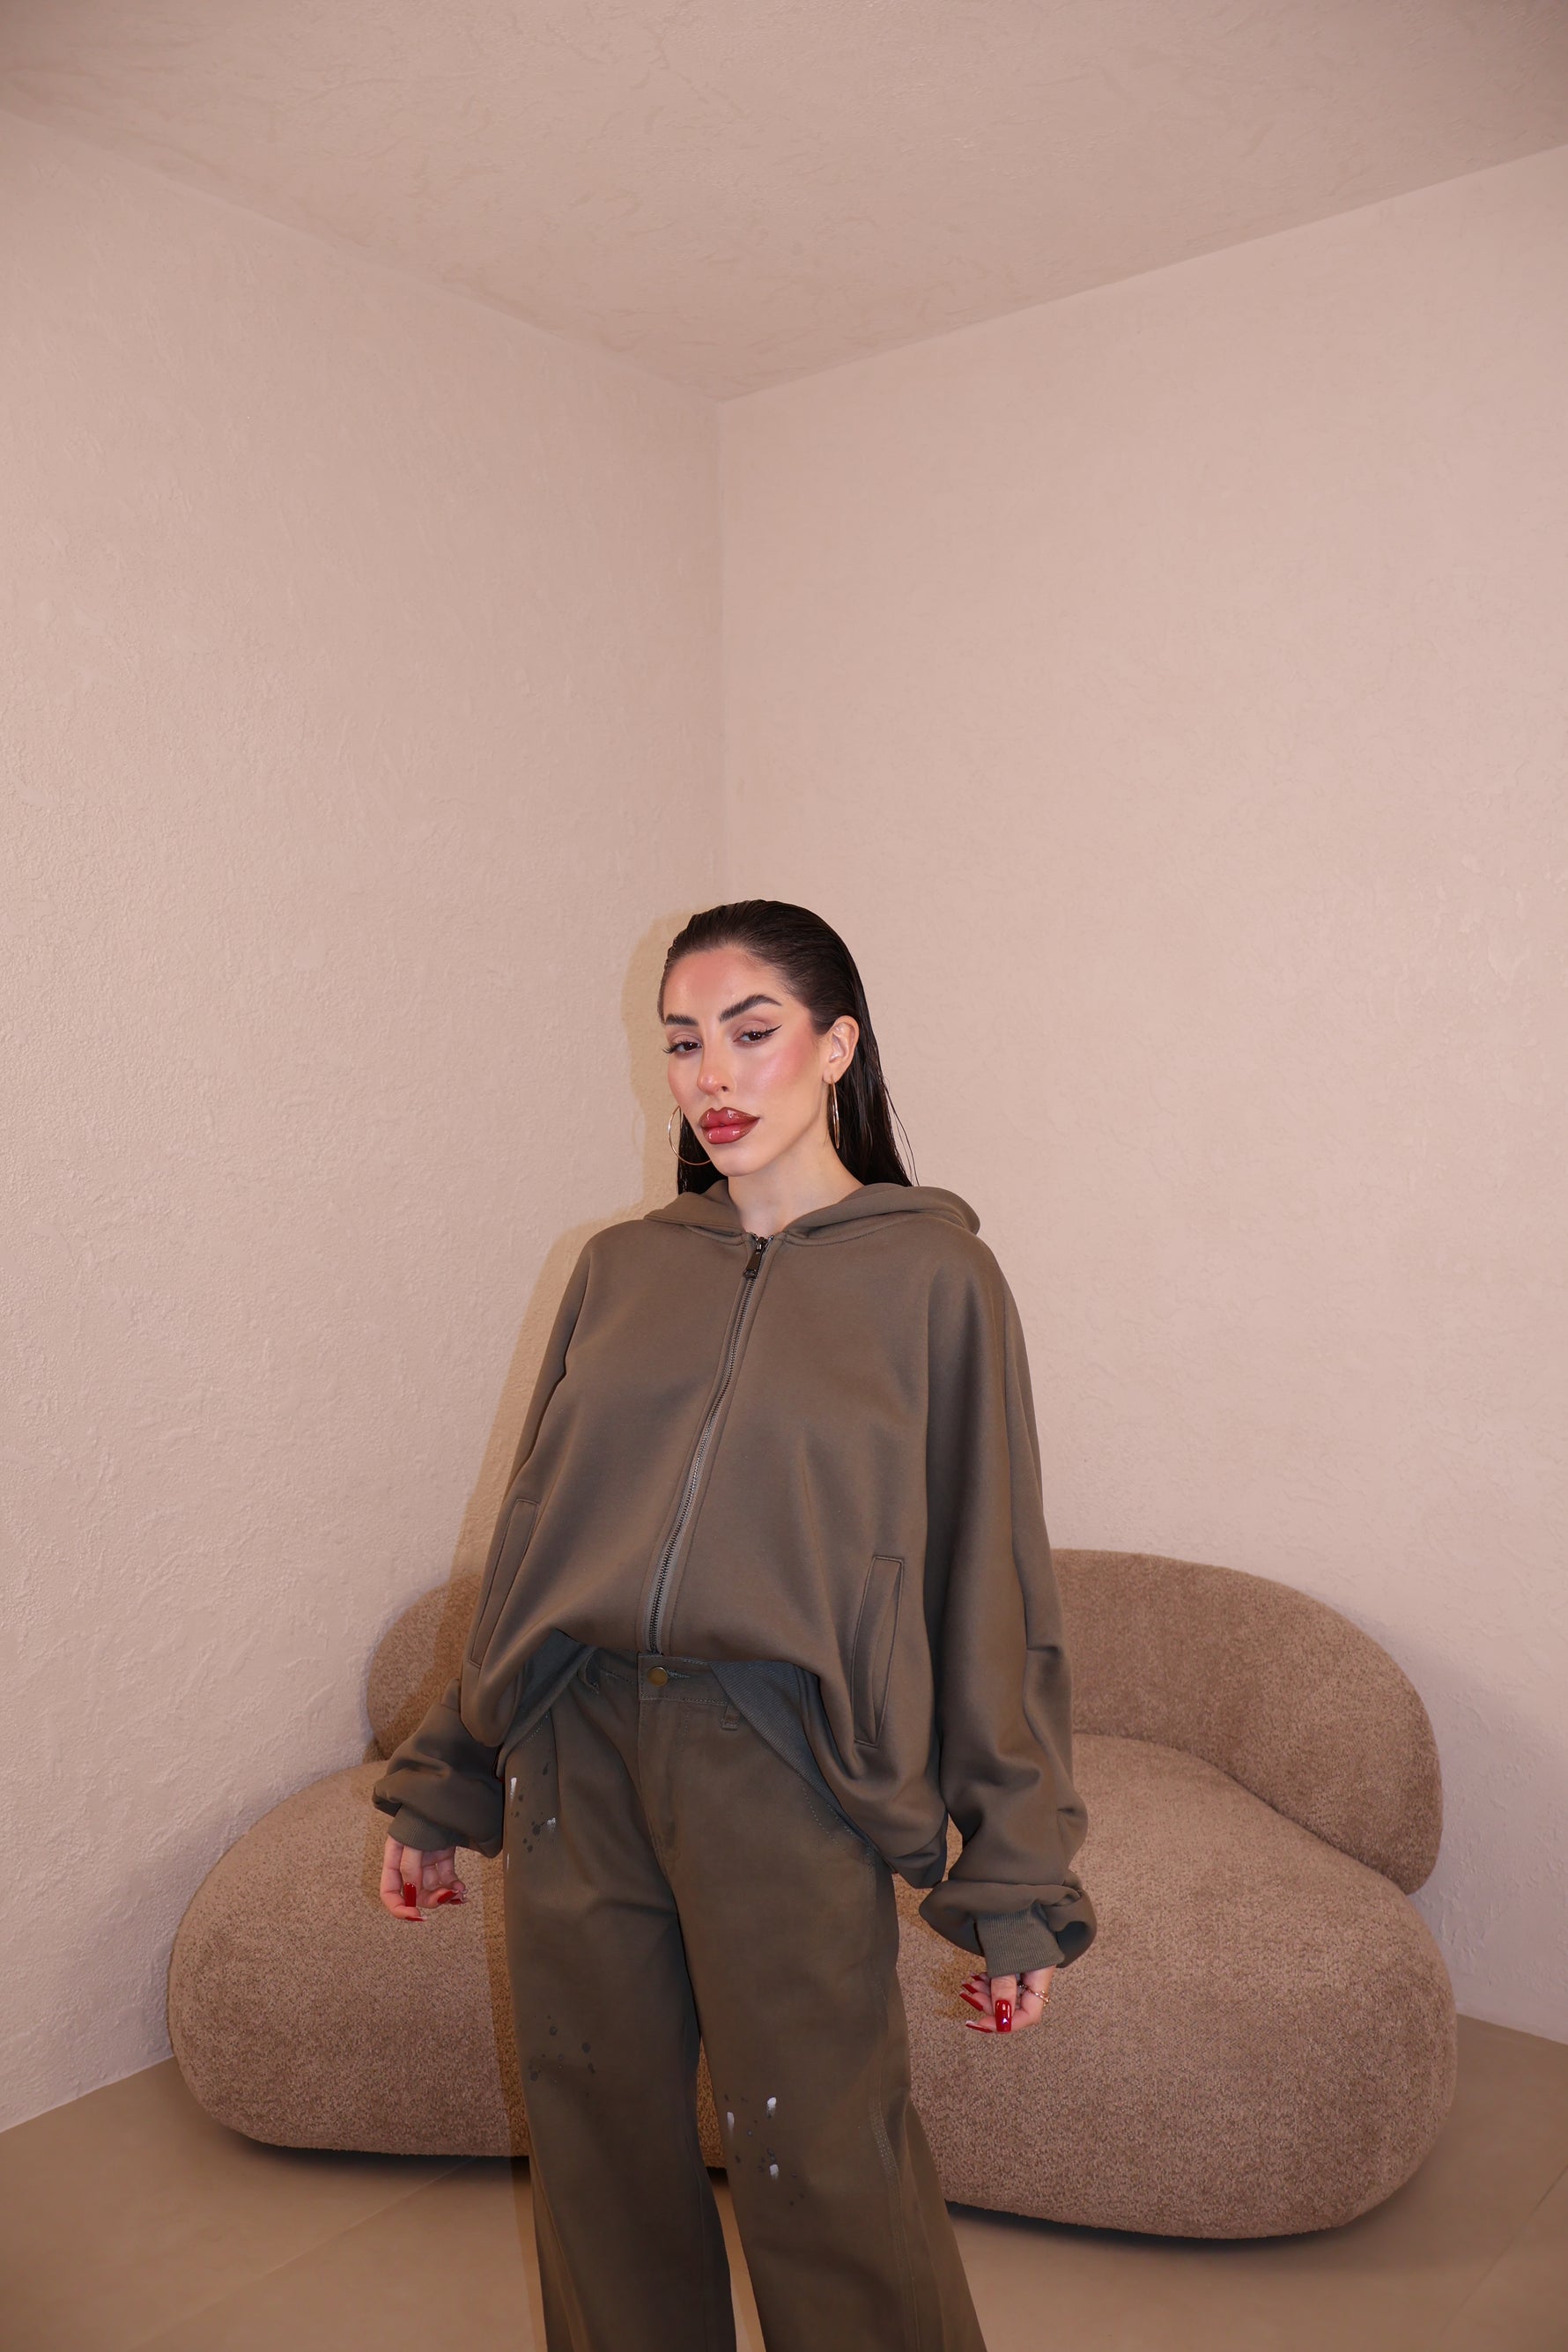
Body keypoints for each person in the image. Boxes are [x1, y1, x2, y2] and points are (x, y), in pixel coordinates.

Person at [370, 898, 1096, 2352]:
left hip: (786, 1762)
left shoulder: (938, 1280)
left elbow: (990, 1583)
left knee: (824, 2152)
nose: (712, 1075)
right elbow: (537, 1530)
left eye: (752, 1032)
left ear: (837, 1045)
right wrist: (447, 1776)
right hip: (576, 1748)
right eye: (683, 1041)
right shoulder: (622, 1268)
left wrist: (1015, 1874)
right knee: (597, 2145)